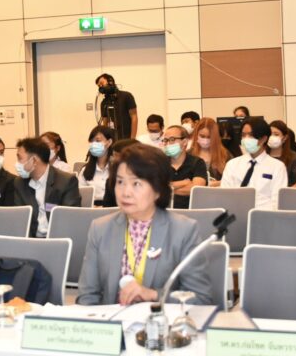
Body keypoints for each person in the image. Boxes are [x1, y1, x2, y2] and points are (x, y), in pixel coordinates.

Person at [77, 144, 212, 306]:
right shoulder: (100, 228)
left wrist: (153, 295)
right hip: (112, 320)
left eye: (136, 184)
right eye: (120, 182)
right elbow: (87, 296)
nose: (125, 192)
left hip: (160, 320)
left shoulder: (183, 230)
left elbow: (200, 298)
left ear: (158, 189)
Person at [13, 137, 81, 237]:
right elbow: (20, 218)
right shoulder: (19, 183)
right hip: (30, 239)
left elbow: (69, 217)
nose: (17, 164)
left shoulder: (66, 181)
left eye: (20, 158)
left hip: (57, 238)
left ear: (34, 160)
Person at [220, 118, 287, 210]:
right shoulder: (232, 164)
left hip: (264, 215)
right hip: (235, 214)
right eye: (243, 135)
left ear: (264, 138)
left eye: (251, 135)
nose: (246, 139)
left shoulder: (277, 167)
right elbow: (225, 195)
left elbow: (277, 201)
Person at [163, 125, 207, 209]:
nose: (167, 144)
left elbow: (197, 190)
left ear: (185, 142)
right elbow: (155, 189)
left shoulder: (197, 162)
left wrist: (167, 188)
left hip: (191, 212)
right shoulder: (159, 162)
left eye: (172, 140)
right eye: (165, 140)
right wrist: (184, 183)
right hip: (165, 211)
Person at [77, 125, 115, 206]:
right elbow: (80, 196)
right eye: (92, 141)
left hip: (113, 209)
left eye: (98, 141)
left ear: (109, 142)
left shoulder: (117, 168)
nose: (94, 144)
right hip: (92, 209)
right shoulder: (85, 170)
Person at [189, 117, 230, 186]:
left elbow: (233, 179)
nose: (205, 140)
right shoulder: (188, 155)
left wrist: (216, 183)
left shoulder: (225, 155)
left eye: (209, 137)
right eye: (202, 136)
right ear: (196, 135)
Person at [96, 72, 138, 139]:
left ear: (110, 81)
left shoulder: (127, 96)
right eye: (99, 86)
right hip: (114, 139)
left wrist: (133, 138)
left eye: (102, 83)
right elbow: (105, 124)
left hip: (127, 137)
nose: (101, 86)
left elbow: (134, 116)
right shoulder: (104, 103)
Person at [100, 138, 139, 209]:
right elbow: (107, 209)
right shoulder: (111, 181)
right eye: (113, 155)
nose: (113, 159)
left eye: (117, 155)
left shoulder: (149, 180)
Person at [267, 120, 296, 187]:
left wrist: (286, 191)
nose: (271, 137)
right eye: (269, 134)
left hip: (287, 192)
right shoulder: (262, 156)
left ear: (284, 138)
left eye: (276, 134)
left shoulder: (294, 158)